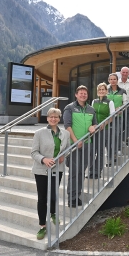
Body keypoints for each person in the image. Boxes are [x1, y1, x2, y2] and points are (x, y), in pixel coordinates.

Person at [31, 108, 70, 240]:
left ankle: (53, 213)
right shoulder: (39, 133)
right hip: (41, 170)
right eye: (51, 117)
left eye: (56, 117)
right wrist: (44, 159)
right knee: (42, 198)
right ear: (47, 118)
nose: (53, 119)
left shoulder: (65, 133)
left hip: (57, 169)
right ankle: (42, 226)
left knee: (53, 195)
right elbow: (34, 152)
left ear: (59, 119)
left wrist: (63, 155)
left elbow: (68, 148)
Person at [63, 85, 97, 207]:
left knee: (81, 172)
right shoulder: (70, 108)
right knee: (74, 172)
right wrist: (76, 141)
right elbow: (67, 126)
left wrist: (93, 128)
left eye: (85, 93)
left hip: (88, 144)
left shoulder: (91, 109)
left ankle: (77, 195)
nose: (83, 95)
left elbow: (95, 125)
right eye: (81, 93)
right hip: (74, 145)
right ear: (76, 95)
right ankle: (71, 198)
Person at [91, 82, 115, 170]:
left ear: (106, 91)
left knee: (100, 151)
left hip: (104, 129)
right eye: (100, 89)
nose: (101, 91)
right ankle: (91, 170)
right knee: (92, 150)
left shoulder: (110, 102)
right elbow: (91, 114)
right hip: (94, 129)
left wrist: (104, 124)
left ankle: (97, 171)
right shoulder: (94, 101)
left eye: (103, 89)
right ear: (97, 91)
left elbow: (112, 116)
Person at [107, 73, 128, 156]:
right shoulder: (106, 90)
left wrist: (120, 108)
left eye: (114, 79)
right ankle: (109, 152)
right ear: (109, 81)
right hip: (107, 117)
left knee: (117, 134)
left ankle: (116, 150)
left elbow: (126, 103)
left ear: (117, 80)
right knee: (108, 135)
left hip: (118, 116)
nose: (113, 81)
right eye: (111, 79)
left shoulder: (122, 91)